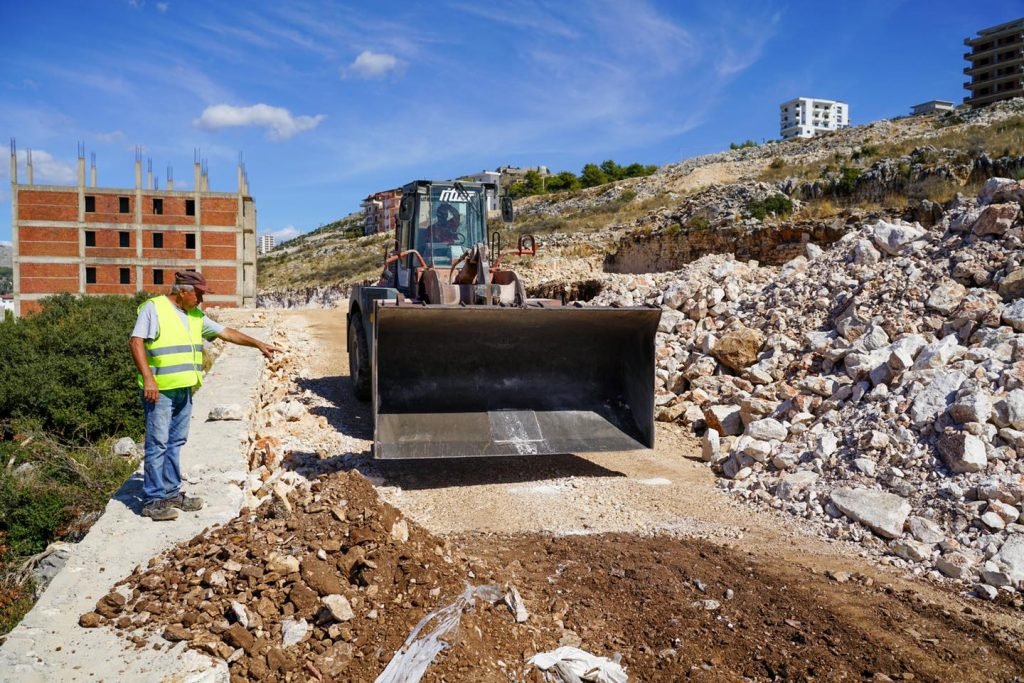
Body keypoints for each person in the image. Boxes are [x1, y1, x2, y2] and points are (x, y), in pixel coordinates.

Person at [129, 270, 280, 521]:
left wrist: (258, 344)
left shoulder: (195, 315)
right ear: (182, 291)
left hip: (184, 389)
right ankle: (153, 500)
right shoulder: (154, 308)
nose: (201, 300)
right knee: (158, 444)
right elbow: (136, 342)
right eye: (198, 294)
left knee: (175, 442)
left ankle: (171, 493)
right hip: (160, 391)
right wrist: (148, 379)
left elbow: (226, 332)